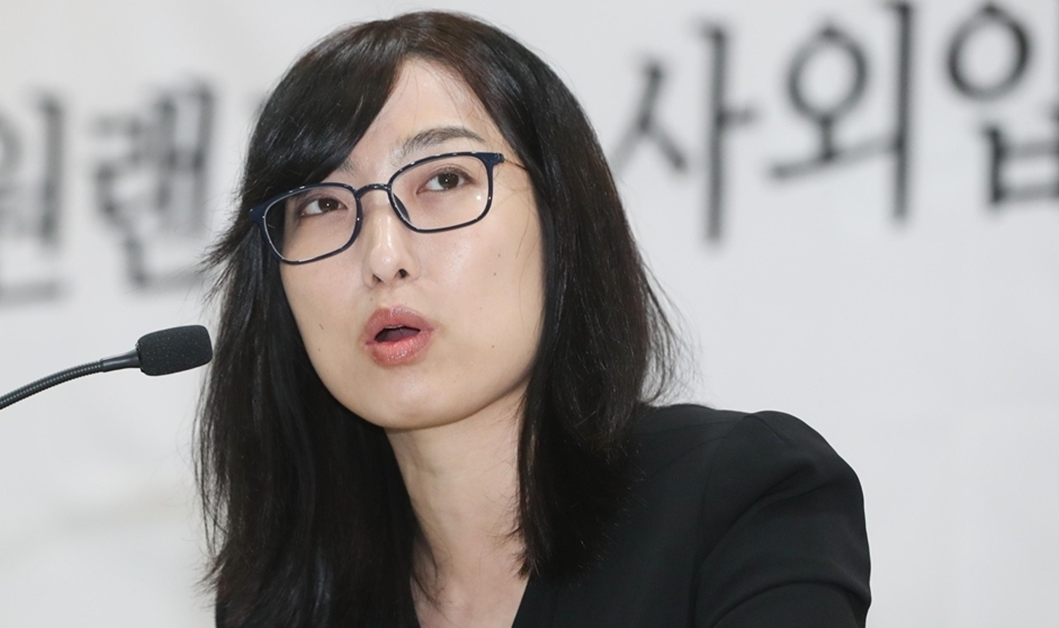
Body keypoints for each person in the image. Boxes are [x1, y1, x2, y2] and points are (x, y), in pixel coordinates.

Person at [197, 11, 870, 628]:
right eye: (321, 205)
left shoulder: (739, 500)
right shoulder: (277, 599)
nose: (383, 257)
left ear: (559, 217)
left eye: (443, 180)